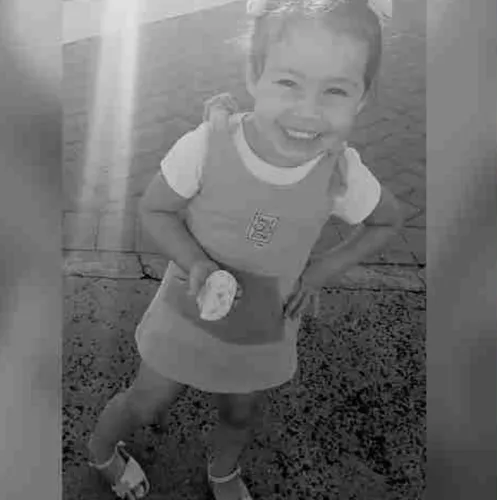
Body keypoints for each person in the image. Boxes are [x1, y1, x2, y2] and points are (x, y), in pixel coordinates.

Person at [84, 0, 401, 498]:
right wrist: (195, 263)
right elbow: (155, 210)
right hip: (186, 312)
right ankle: (101, 451)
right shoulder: (209, 145)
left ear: (362, 99)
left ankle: (224, 471)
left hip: (264, 326)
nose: (308, 111)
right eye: (288, 83)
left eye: (335, 90)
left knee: (241, 409)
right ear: (254, 76)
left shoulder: (341, 170)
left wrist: (320, 270)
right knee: (147, 400)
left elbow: (387, 219)